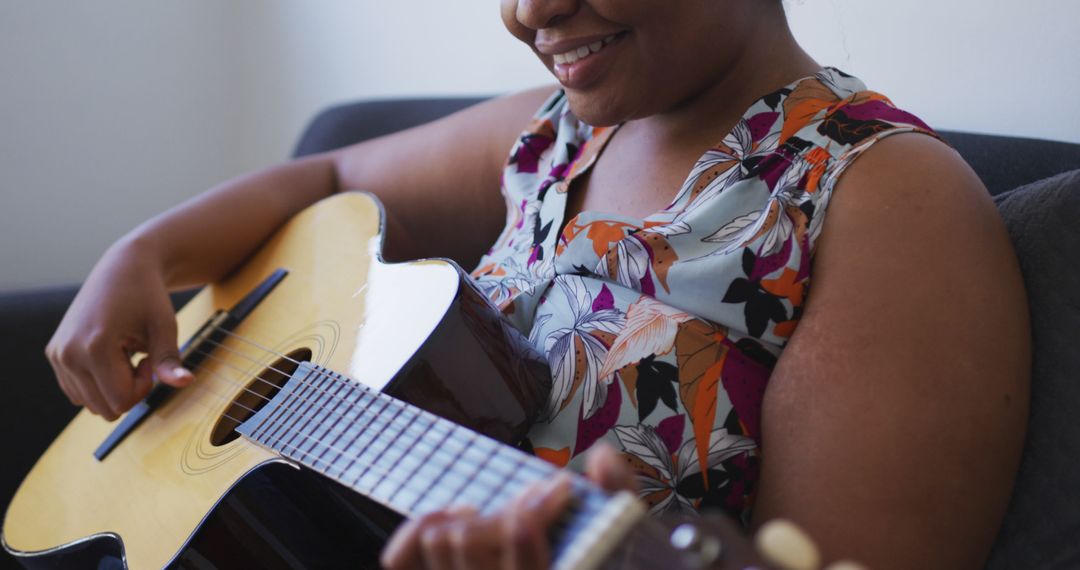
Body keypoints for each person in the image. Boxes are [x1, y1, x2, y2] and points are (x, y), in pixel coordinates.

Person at [45, 0, 1030, 568]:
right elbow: (333, 180)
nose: (527, 11)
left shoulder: (874, 196)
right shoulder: (556, 132)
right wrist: (145, 251)